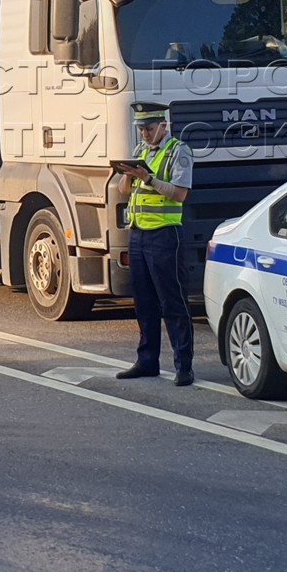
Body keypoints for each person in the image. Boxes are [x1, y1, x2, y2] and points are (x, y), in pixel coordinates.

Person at [116, 101, 196, 386]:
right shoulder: (140, 152)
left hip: (165, 236)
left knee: (172, 302)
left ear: (163, 125)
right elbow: (124, 191)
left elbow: (180, 194)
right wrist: (127, 175)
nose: (145, 135)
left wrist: (147, 178)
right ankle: (147, 360)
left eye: (149, 129)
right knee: (144, 303)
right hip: (138, 234)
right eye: (141, 130)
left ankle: (183, 365)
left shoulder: (179, 151)